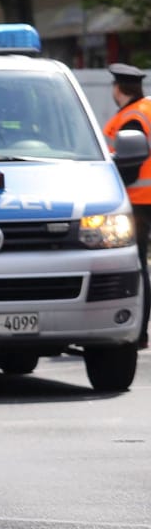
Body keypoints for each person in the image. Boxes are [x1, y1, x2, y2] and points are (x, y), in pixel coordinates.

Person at [101, 63, 151, 349]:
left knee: (137, 267)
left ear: (118, 89)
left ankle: (138, 332)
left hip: (139, 201)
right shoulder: (147, 108)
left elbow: (129, 165)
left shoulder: (131, 117)